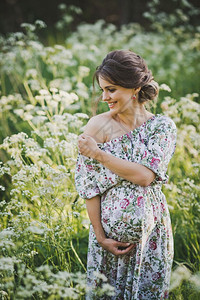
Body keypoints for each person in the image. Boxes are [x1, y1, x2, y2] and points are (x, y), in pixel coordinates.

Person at [75, 50, 177, 299]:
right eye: (102, 90)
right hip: (108, 244)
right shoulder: (97, 126)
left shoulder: (161, 127)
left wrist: (99, 154)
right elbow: (89, 187)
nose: (104, 97)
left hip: (151, 240)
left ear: (134, 87)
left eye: (111, 90)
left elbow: (145, 177)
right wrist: (101, 237)